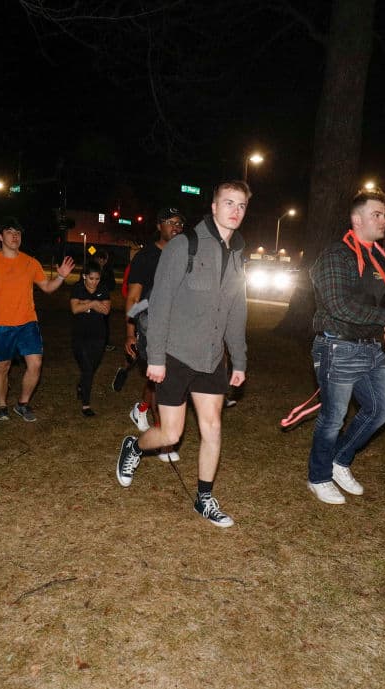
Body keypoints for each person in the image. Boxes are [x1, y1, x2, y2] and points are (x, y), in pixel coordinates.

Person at [115, 182, 250, 528]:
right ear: (214, 206)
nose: (235, 211)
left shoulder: (238, 253)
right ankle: (134, 447)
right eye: (228, 203)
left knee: (212, 426)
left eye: (241, 205)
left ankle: (204, 498)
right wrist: (156, 357)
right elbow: (160, 304)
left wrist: (239, 359)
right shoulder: (183, 245)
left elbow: (237, 308)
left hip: (211, 358)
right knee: (171, 434)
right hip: (175, 354)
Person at [306, 187, 385, 505]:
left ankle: (340, 460)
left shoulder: (381, 259)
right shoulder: (337, 256)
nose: (383, 220)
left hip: (370, 349)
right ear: (357, 219)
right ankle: (318, 477)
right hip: (337, 347)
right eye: (376, 214)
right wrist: (384, 319)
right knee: (333, 417)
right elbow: (338, 305)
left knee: (380, 410)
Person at [0, 217, 75, 422]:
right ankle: (2, 405)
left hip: (27, 322)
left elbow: (47, 288)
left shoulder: (30, 262)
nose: (15, 236)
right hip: (0, 323)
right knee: (2, 367)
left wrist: (61, 277)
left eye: (18, 233)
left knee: (36, 363)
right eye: (10, 232)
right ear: (0, 237)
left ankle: (22, 403)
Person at [122, 207, 185, 462]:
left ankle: (141, 408)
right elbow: (134, 298)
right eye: (170, 222)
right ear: (159, 226)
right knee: (163, 380)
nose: (176, 227)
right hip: (151, 324)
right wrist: (130, 332)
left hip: (179, 326)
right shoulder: (146, 257)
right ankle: (163, 440)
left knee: (163, 379)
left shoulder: (184, 255)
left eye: (179, 223)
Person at [70, 260, 112, 416]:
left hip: (99, 336)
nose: (94, 282)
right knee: (87, 369)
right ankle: (86, 405)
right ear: (84, 276)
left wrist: (86, 303)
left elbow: (106, 310)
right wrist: (94, 303)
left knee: (91, 368)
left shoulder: (103, 289)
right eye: (91, 278)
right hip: (80, 336)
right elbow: (75, 309)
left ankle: (82, 385)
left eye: (97, 279)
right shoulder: (77, 288)